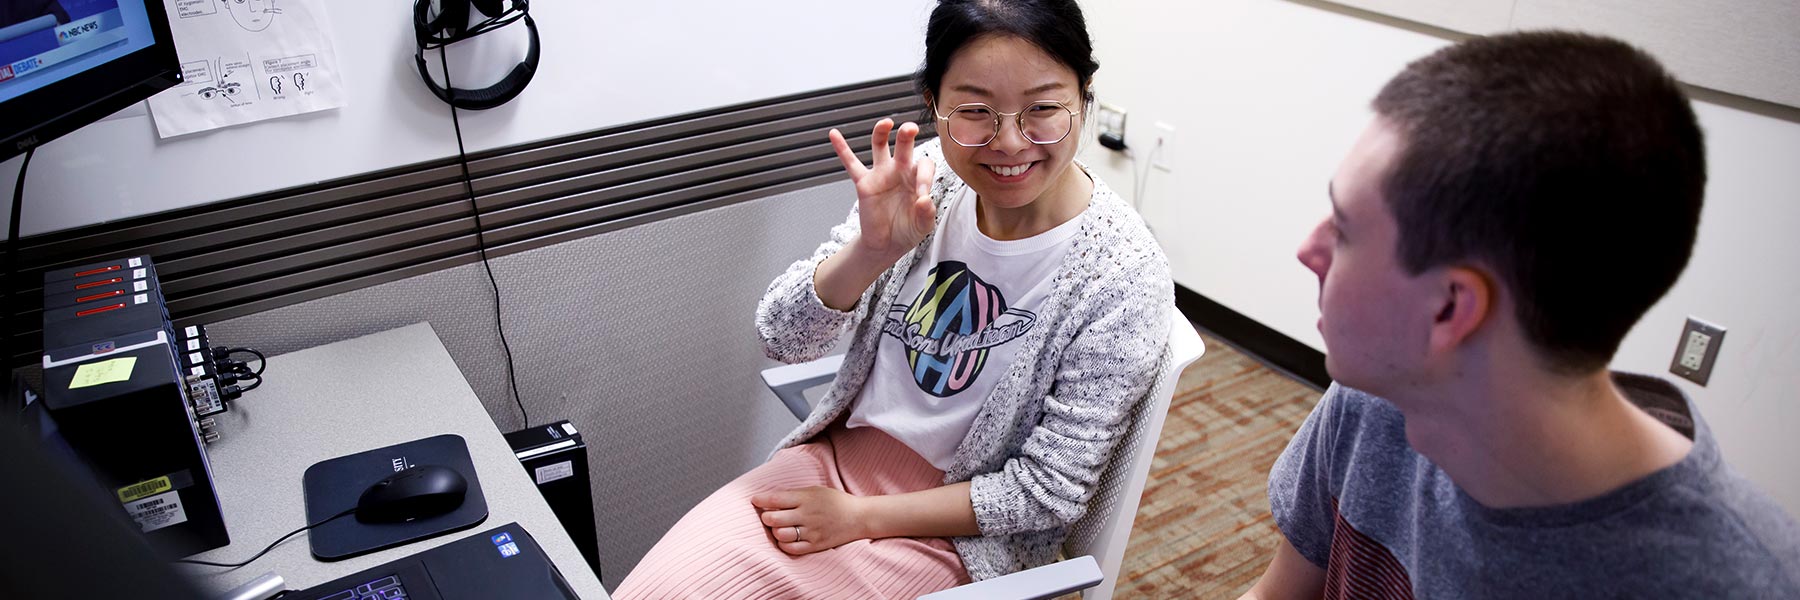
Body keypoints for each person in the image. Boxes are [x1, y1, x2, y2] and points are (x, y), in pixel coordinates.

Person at [613, 0, 1173, 597]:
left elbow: (1045, 490)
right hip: (828, 471)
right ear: (934, 102)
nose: (1009, 142)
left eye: (1042, 109)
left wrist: (858, 520)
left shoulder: (1122, 276)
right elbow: (781, 336)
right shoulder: (927, 176)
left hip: (958, 540)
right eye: (976, 111)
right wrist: (870, 251)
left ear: (1084, 96)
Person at [1242, 31, 1800, 599]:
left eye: (1344, 229)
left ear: (1450, 308)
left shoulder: (1745, 582)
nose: (1309, 249)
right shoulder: (1379, 401)